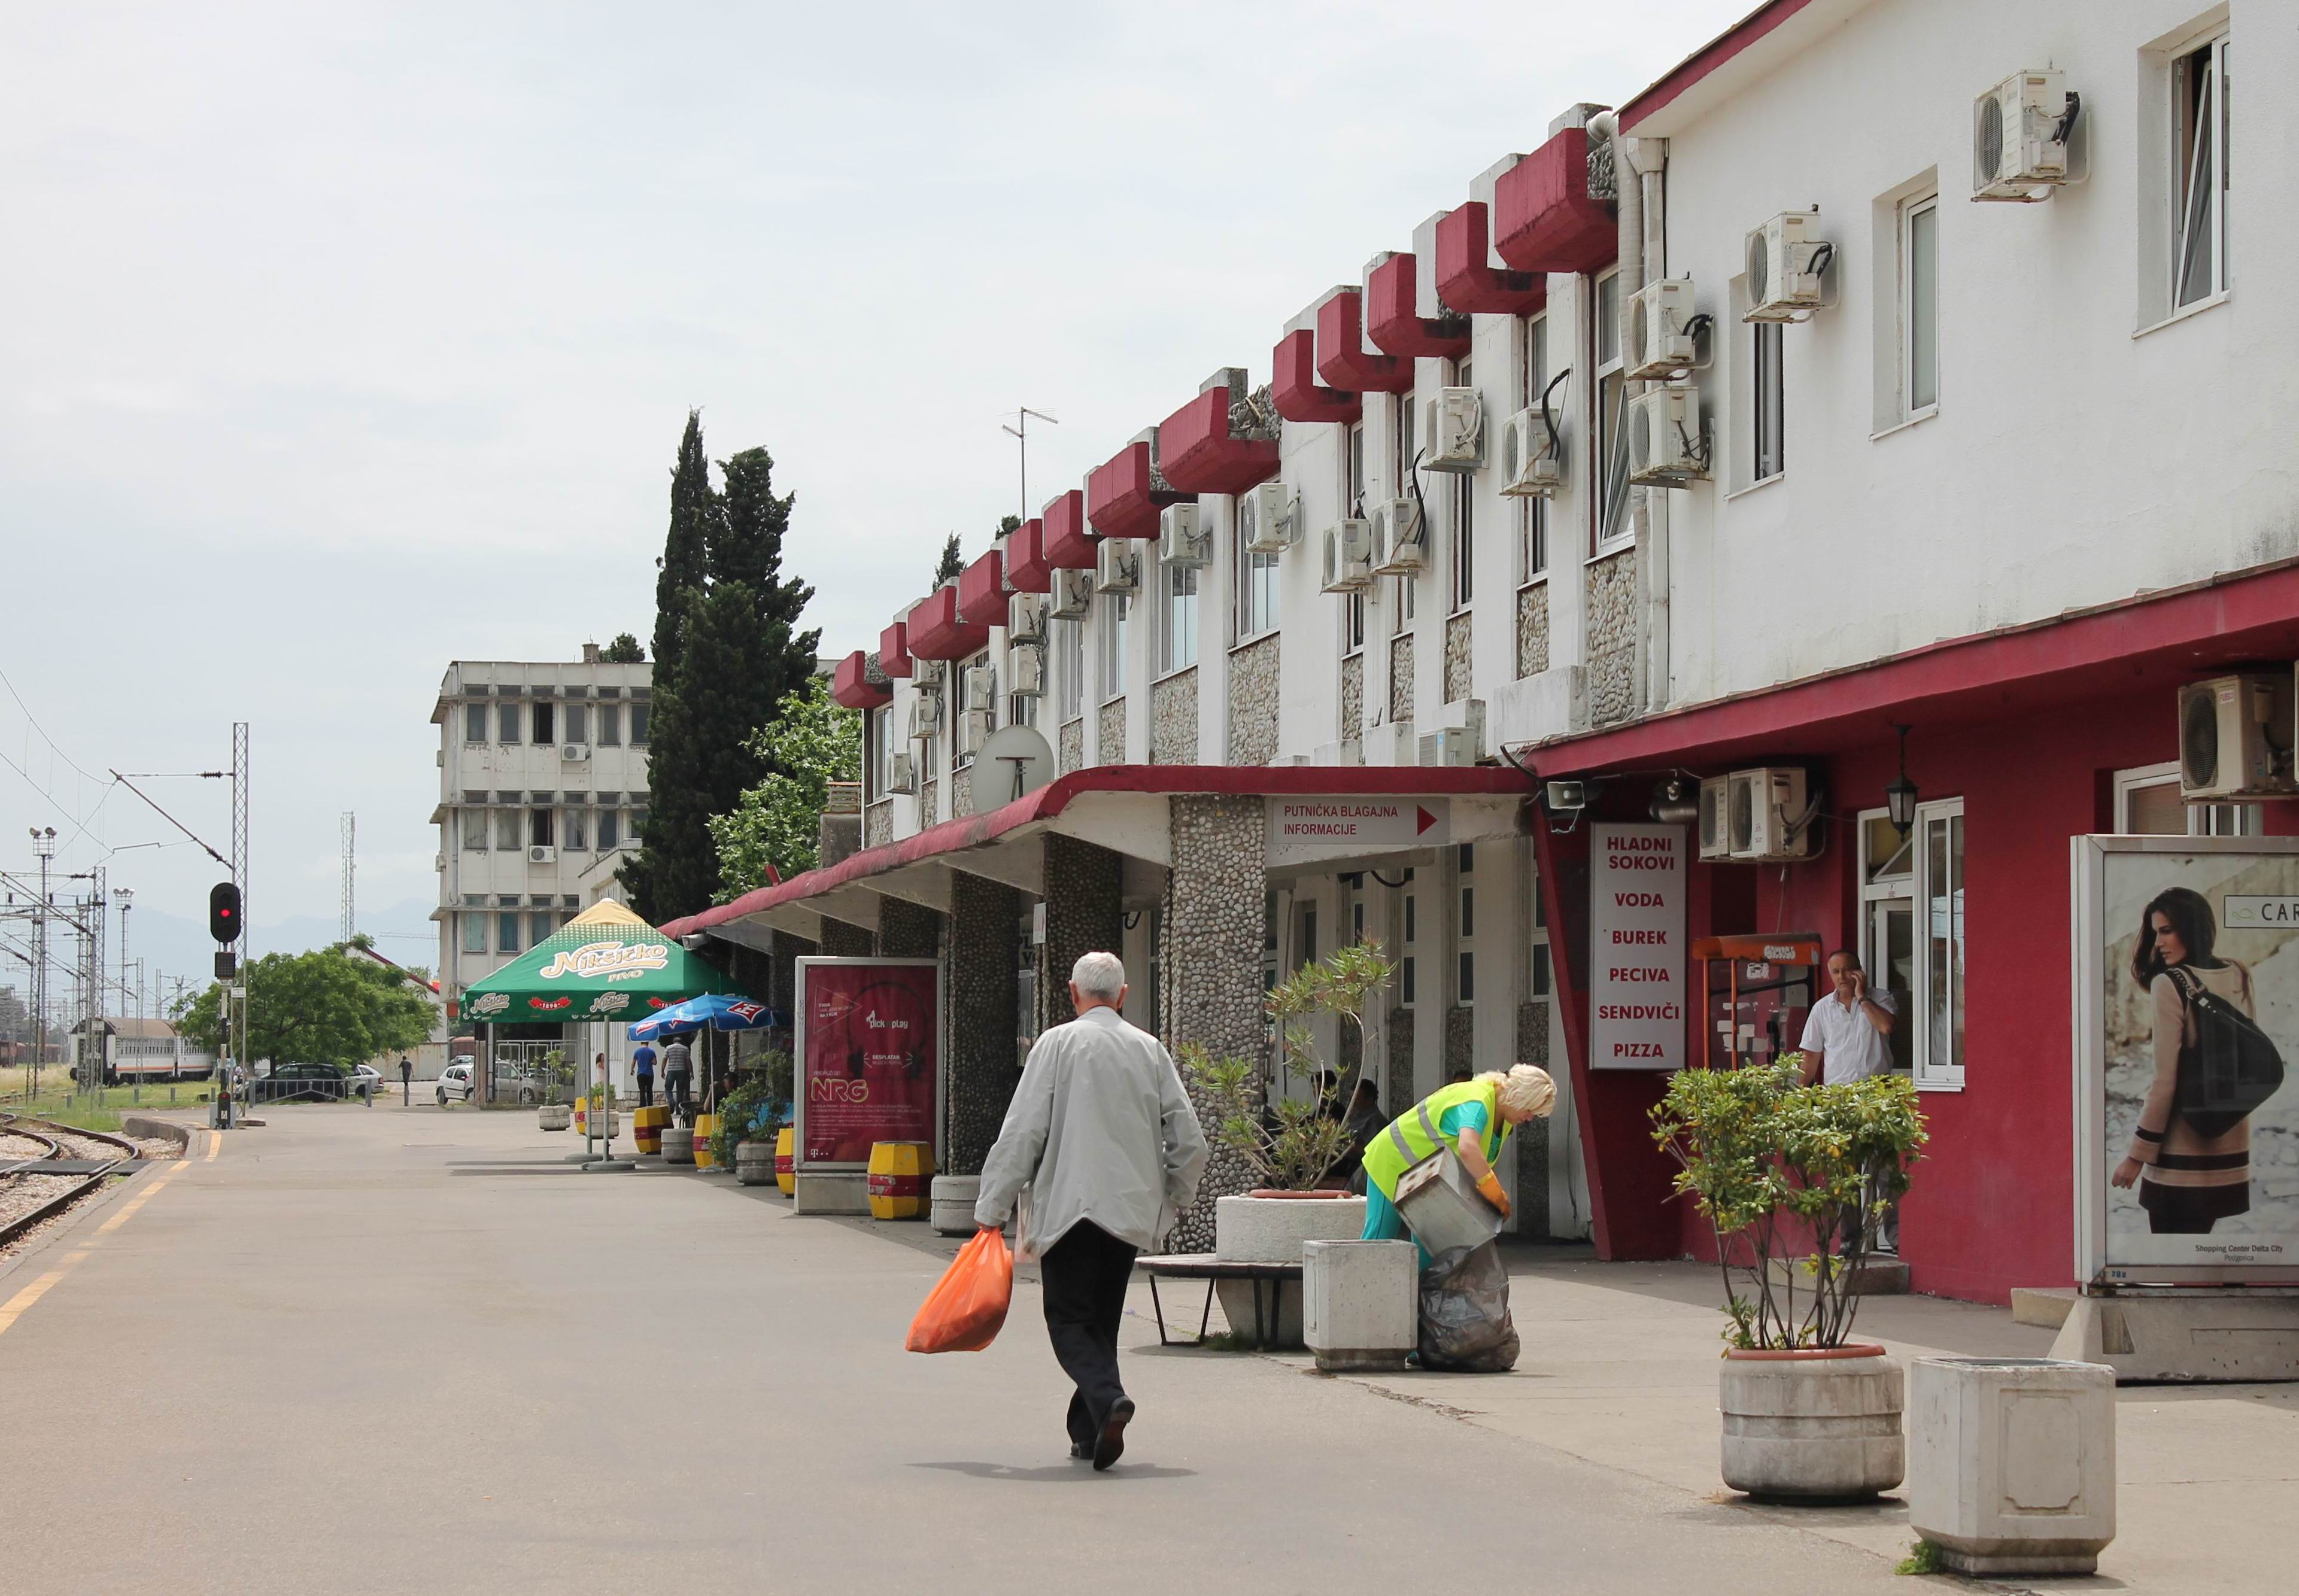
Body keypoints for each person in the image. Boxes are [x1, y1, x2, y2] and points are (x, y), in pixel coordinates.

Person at [975, 951, 1208, 1472]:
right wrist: (1175, 1195)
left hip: (1071, 1208)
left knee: (1069, 1319)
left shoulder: (1055, 1044)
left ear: (1072, 992)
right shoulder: (1149, 1049)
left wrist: (991, 1208)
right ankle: (1089, 1431)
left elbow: (1022, 1133)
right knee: (1100, 1322)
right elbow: (1189, 1140)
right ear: (1122, 995)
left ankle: (1108, 1398)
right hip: (1128, 1210)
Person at [2112, 886, 2254, 1234]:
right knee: (2209, 1277)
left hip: (2182, 1159)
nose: (2158, 943)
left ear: (2192, 928)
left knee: (2176, 1272)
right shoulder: (2238, 973)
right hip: (2230, 1153)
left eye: (2167, 930)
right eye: (2156, 932)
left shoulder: (2170, 983)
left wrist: (2135, 1157)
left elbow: (2165, 1081)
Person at [1359, 1065, 1557, 1263]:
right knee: (1378, 1241)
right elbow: (1468, 1148)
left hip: (1425, 1181)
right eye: (1531, 1110)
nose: (1530, 1118)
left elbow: (1474, 1163)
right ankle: (1353, 1291)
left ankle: (1418, 1294)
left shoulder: (1503, 1117)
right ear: (1518, 1096)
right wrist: (1493, 1191)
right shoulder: (1477, 1101)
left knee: (1431, 1254)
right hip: (1392, 1164)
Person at [1798, 950, 1902, 1252]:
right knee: (1844, 1174)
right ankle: (1851, 1240)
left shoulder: (1880, 999)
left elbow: (1886, 1027)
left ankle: (1895, 1239)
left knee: (1885, 1172)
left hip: (1877, 1097)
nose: (1842, 977)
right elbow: (1812, 1057)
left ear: (1859, 971)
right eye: (1836, 972)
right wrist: (1801, 1097)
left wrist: (1862, 998)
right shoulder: (1821, 1010)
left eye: (1847, 971)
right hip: (1839, 1101)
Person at [661, 1035, 692, 1124]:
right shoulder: (685, 1049)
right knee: (680, 1091)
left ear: (674, 1041)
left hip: (671, 1071)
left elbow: (665, 1060)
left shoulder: (668, 1048)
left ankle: (671, 1101)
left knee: (668, 1088)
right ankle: (678, 1110)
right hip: (681, 1071)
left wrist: (662, 1070)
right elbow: (688, 1062)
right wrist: (691, 1072)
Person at [631, 1038, 657, 1109]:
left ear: (641, 1043)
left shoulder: (637, 1052)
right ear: (648, 1043)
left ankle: (642, 1105)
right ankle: (650, 1105)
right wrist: (650, 1062)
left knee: (642, 1090)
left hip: (641, 1074)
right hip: (650, 1074)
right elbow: (655, 1062)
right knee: (649, 1090)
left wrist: (632, 1070)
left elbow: (633, 1063)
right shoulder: (652, 1051)